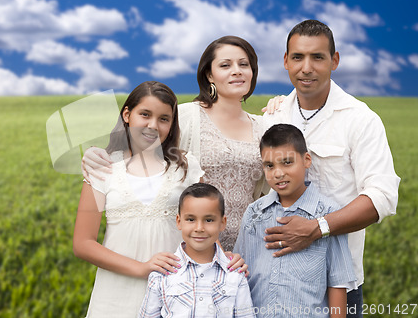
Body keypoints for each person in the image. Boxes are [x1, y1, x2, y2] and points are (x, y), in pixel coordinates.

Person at [262, 20, 400, 317]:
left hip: (338, 283)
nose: (306, 67)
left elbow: (382, 197)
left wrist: (316, 228)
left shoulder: (360, 119)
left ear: (334, 61)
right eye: (297, 57)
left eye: (318, 57)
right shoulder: (273, 118)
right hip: (277, 279)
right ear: (286, 61)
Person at [82, 36, 269, 252]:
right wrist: (94, 155)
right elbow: (140, 152)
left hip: (247, 247)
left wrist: (281, 103)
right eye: (225, 65)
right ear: (209, 74)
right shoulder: (185, 115)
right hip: (188, 247)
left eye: (243, 64)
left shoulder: (264, 126)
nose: (237, 71)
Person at [73, 81, 205, 317]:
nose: (153, 125)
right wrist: (142, 268)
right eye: (145, 114)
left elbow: (205, 227)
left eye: (164, 119)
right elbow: (83, 243)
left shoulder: (186, 168)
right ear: (127, 114)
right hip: (115, 295)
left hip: (173, 290)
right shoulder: (103, 168)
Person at [234, 124, 357, 318]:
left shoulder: (328, 214)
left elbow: (337, 284)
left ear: (306, 160)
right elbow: (239, 274)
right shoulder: (254, 213)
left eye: (287, 162)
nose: (278, 173)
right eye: (270, 166)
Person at [139, 183, 255, 318]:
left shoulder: (235, 274)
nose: (199, 228)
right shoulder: (162, 275)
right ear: (179, 221)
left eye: (209, 220)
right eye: (191, 219)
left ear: (222, 223)